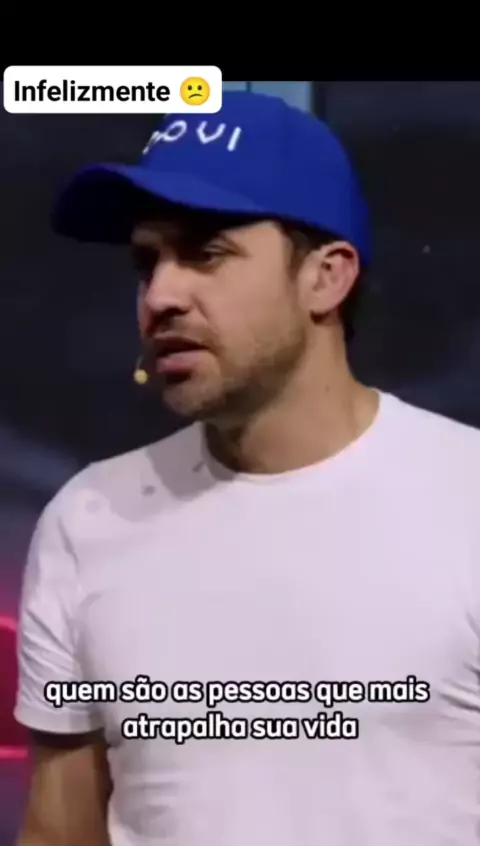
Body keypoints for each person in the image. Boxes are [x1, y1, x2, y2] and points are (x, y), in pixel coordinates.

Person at [14, 91, 480, 846]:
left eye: (206, 252)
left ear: (326, 277)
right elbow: (61, 830)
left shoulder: (466, 499)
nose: (161, 295)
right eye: (146, 262)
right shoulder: (88, 517)